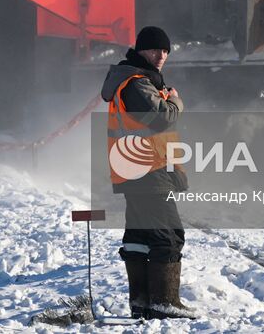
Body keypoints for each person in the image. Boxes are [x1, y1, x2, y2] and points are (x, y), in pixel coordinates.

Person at [101, 25, 196, 320]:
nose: (161, 55)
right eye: (155, 49)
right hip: (145, 170)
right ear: (140, 50)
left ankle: (141, 303)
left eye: (166, 50)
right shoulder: (136, 83)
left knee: (140, 237)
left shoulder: (139, 82)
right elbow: (160, 119)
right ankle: (164, 302)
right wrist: (175, 102)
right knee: (168, 236)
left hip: (139, 169)